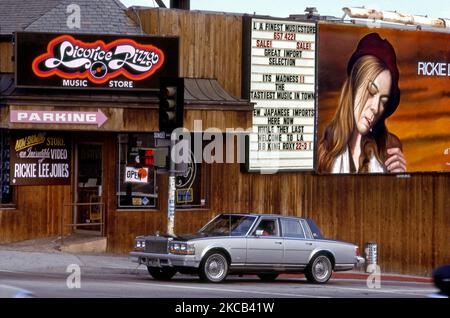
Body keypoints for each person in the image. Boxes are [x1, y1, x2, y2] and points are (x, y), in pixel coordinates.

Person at [317, 33, 407, 174]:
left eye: (383, 101)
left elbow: (397, 194)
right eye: (371, 92)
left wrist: (402, 178)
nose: (376, 108)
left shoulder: (389, 148)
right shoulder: (326, 147)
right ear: (354, 86)